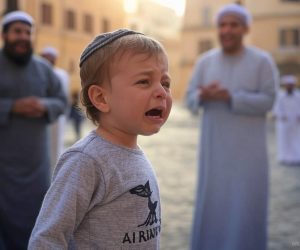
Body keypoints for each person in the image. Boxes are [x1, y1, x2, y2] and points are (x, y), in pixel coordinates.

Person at [28, 29, 172, 249]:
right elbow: (47, 239)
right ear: (101, 98)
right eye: (144, 81)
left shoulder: (133, 152)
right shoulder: (85, 161)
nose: (162, 92)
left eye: (166, 83)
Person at [185, 3, 279, 250]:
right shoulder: (205, 62)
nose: (226, 30)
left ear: (245, 28)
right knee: (214, 205)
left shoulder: (262, 61)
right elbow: (190, 99)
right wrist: (203, 95)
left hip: (249, 158)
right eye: (222, 25)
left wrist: (231, 97)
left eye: (233, 25)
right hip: (214, 154)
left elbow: (269, 100)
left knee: (246, 207)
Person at [0, 11, 68, 250]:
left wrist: (43, 105)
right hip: (3, 167)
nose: (23, 37)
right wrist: (12, 107)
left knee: (37, 217)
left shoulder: (43, 69)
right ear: (4, 35)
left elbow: (61, 101)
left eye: (28, 32)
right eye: (17, 31)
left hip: (35, 165)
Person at [40, 46, 70, 167]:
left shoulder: (61, 74)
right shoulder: (37, 72)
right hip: (40, 115)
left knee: (55, 145)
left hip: (57, 116)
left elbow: (63, 97)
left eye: (50, 58)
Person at [273, 75, 300, 165]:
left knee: (296, 139)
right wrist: (281, 115)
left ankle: (296, 157)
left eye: (291, 85)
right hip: (283, 122)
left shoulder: (298, 95)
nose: (290, 86)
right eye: (288, 84)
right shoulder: (280, 95)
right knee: (283, 140)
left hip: (296, 122)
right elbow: (276, 107)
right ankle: (284, 157)